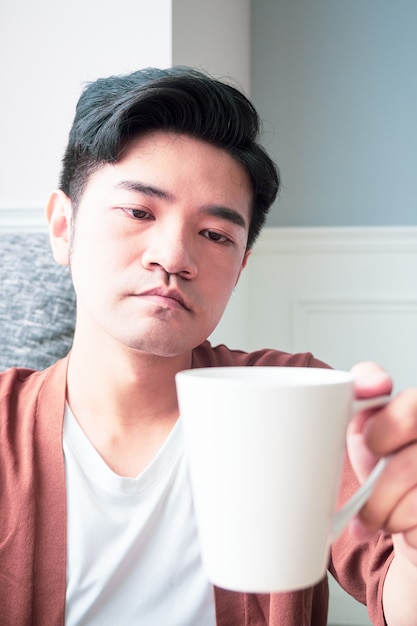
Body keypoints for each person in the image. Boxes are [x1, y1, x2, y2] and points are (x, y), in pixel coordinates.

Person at [1, 66, 417, 626]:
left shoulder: (290, 392)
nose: (173, 256)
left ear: (241, 266)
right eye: (139, 212)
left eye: (216, 235)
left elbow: (398, 596)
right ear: (62, 227)